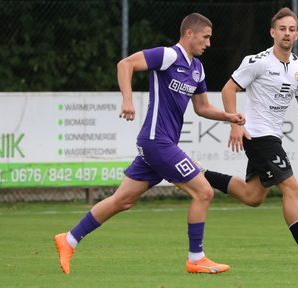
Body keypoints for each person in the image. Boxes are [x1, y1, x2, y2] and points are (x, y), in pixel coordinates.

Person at [54, 13, 245, 275]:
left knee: (122, 201)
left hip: (159, 144)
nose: (209, 43)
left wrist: (228, 117)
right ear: (189, 33)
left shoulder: (197, 69)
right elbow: (125, 64)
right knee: (204, 192)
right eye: (206, 37)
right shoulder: (168, 56)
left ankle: (69, 240)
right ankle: (196, 258)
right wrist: (128, 100)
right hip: (157, 142)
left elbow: (201, 107)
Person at [202, 7, 298, 265]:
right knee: (293, 187)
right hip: (257, 135)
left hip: (271, 137)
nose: (286, 34)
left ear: (296, 35)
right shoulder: (257, 62)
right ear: (272, 33)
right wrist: (235, 123)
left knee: (252, 196)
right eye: (282, 29)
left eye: (291, 30)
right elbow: (228, 89)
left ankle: (197, 174)